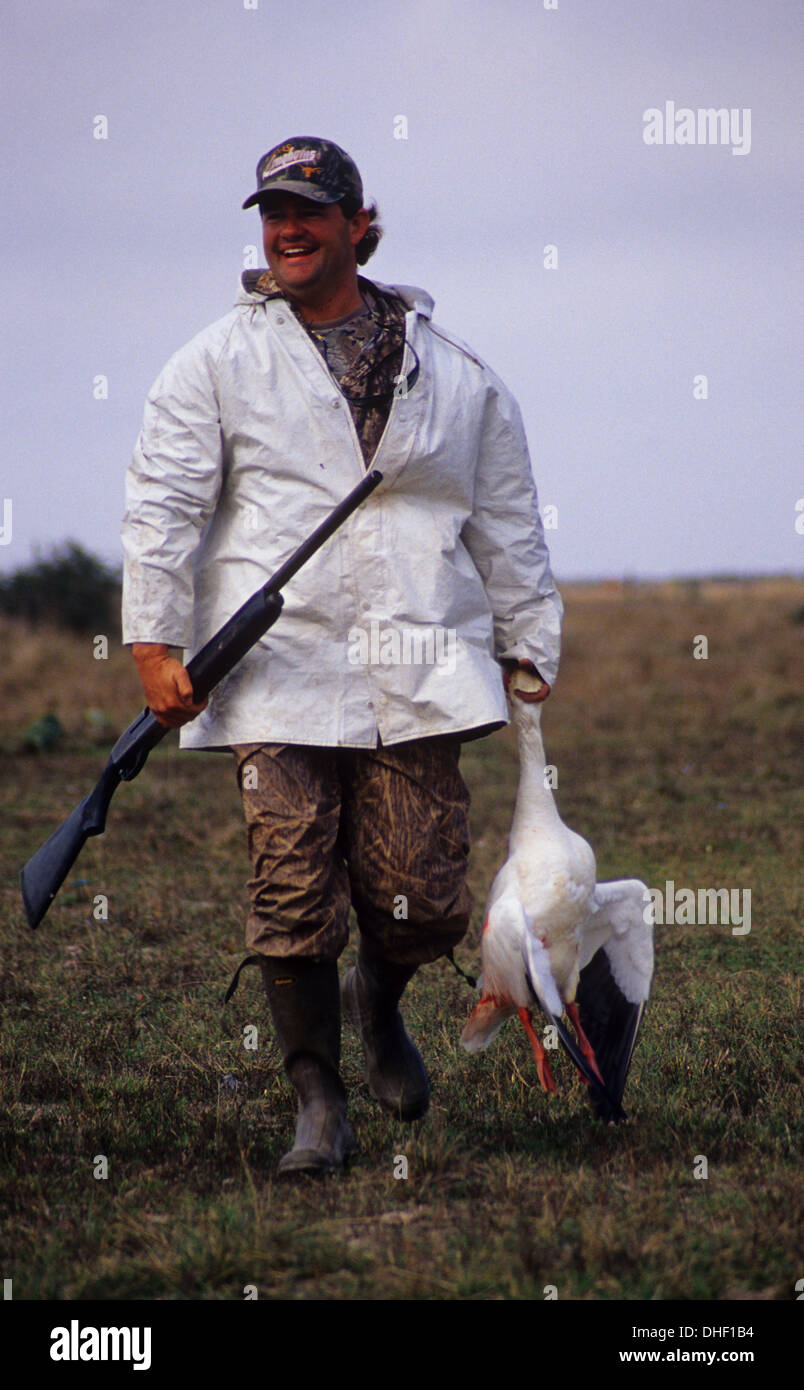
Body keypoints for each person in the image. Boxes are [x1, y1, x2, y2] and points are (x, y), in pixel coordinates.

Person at [122, 136, 562, 1178]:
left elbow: (505, 518)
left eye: (310, 210)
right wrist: (153, 638)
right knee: (291, 887)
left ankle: (381, 996)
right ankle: (318, 1100)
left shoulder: (456, 377)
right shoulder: (213, 363)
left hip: (422, 667)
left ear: (362, 227)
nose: (287, 228)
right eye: (273, 211)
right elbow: (164, 502)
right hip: (274, 669)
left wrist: (527, 638)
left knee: (423, 894)